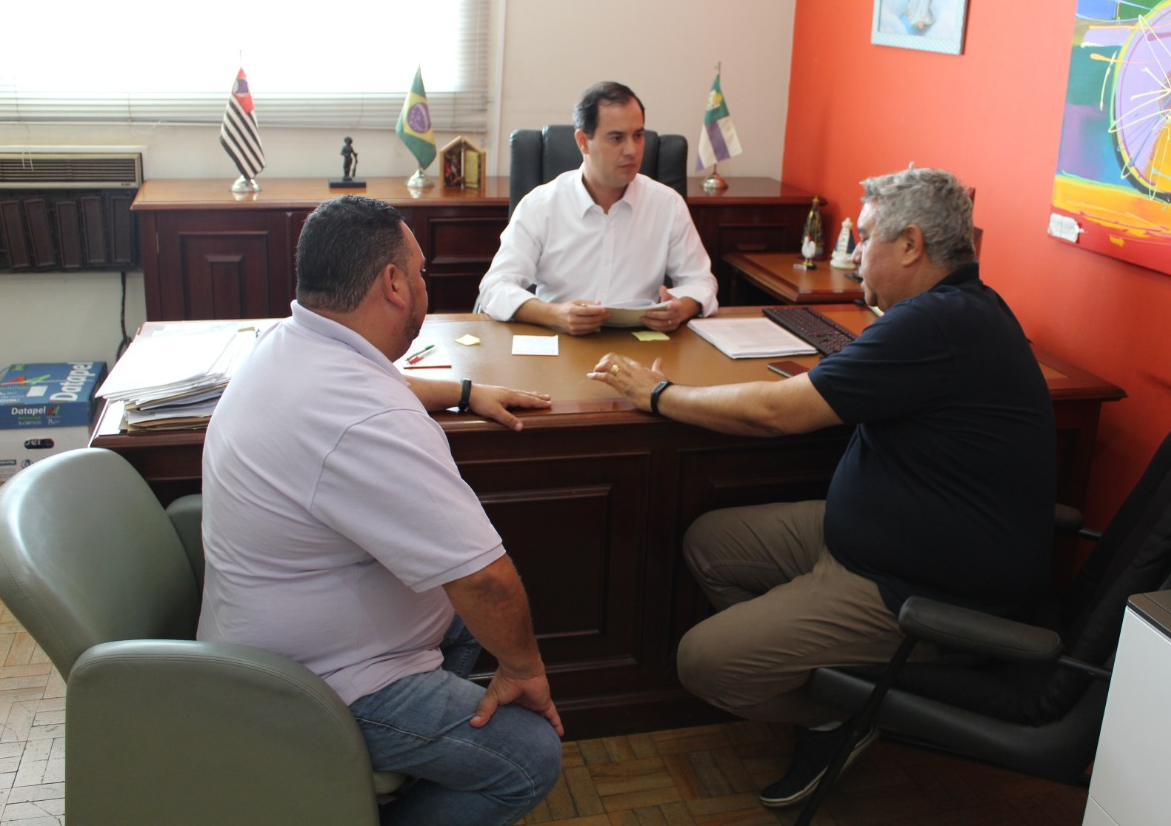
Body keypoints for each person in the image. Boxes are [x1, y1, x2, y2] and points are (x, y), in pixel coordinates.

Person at [587, 167, 1055, 809]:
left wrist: (660, 394)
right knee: (710, 540)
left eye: (866, 240)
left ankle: (844, 712)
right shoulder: (956, 310)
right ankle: (827, 677)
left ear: (912, 244)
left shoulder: (936, 326)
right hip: (866, 540)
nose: (855, 255)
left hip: (913, 586)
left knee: (703, 661)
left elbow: (777, 412)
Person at [197, 194, 563, 826]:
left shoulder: (289, 344)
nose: (423, 283)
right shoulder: (366, 417)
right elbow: (485, 578)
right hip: (310, 684)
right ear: (393, 283)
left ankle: (386, 777)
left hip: (265, 637)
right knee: (530, 756)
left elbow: (378, 387)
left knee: (456, 611)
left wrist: (466, 391)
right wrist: (525, 671)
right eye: (419, 271)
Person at [476, 81, 718, 336]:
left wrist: (682, 308)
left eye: (638, 135)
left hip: (641, 343)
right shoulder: (540, 205)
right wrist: (555, 314)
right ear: (583, 141)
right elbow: (495, 287)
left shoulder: (667, 204)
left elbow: (701, 281)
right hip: (560, 340)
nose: (632, 150)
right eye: (616, 138)